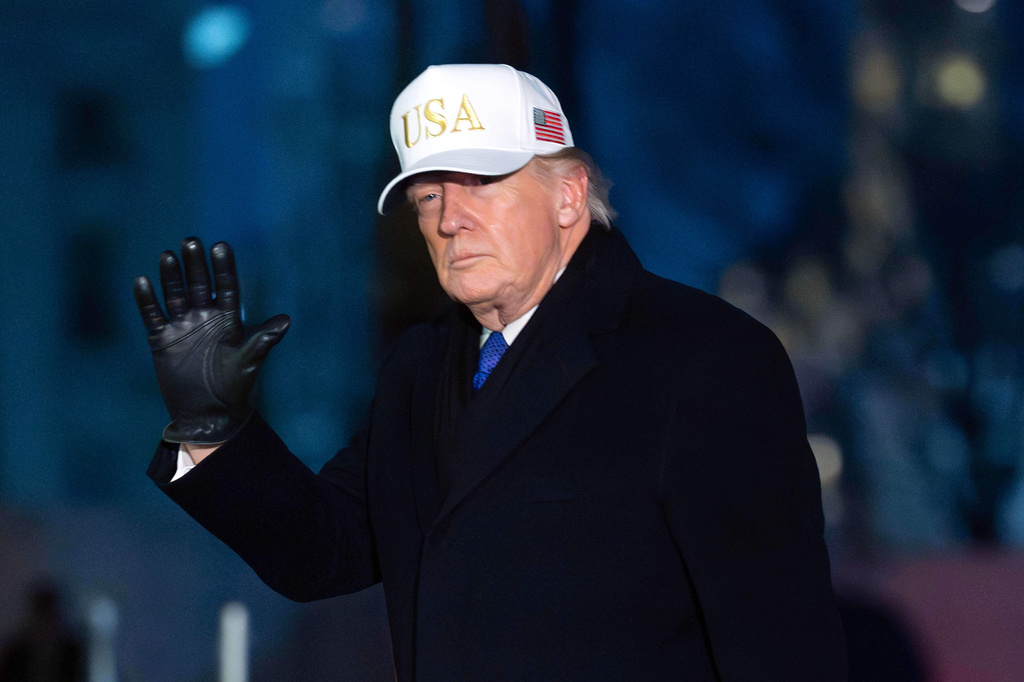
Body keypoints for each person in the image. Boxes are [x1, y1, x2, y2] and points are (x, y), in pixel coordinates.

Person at [135, 64, 848, 680]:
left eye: (480, 180)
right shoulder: (420, 367)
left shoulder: (703, 356)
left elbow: (780, 646)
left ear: (569, 195)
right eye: (427, 196)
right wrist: (213, 429)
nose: (450, 218)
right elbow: (324, 551)